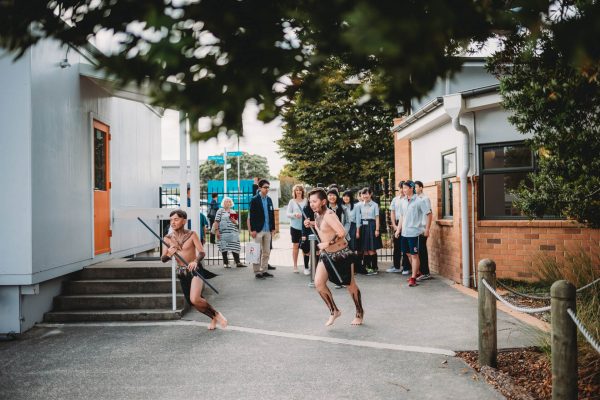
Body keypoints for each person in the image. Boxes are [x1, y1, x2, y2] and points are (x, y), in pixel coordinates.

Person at [305, 188, 365, 326]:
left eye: (314, 201)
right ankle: (334, 311)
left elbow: (342, 232)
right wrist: (311, 224)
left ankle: (359, 312)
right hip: (327, 254)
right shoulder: (317, 215)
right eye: (310, 202)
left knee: (349, 285)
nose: (312, 204)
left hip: (341, 254)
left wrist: (327, 243)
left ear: (323, 201)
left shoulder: (329, 214)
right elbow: (324, 228)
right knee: (318, 283)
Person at [161, 209, 227, 330]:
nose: (173, 222)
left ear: (184, 221)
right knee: (194, 302)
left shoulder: (192, 234)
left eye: (176, 219)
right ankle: (213, 317)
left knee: (195, 298)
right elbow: (163, 259)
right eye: (171, 220)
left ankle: (217, 314)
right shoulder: (168, 238)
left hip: (195, 270)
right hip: (182, 272)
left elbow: (201, 252)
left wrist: (195, 261)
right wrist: (169, 254)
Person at [394, 180, 432, 287]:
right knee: (408, 254)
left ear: (411, 188)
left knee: (414, 255)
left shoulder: (419, 201)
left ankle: (413, 277)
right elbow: (402, 216)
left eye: (406, 188)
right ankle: (417, 272)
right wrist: (398, 230)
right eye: (403, 188)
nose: (403, 190)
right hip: (405, 233)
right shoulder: (403, 201)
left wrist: (427, 229)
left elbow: (429, 214)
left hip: (415, 233)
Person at [249, 179, 275, 279]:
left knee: (266, 251)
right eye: (265, 187)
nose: (267, 189)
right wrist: (253, 230)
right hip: (258, 230)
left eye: (268, 187)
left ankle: (264, 270)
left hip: (268, 229)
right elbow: (252, 216)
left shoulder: (269, 200)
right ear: (260, 188)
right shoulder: (254, 199)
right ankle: (257, 272)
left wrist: (273, 228)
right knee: (256, 251)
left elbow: (271, 214)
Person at [355, 187, 382, 275]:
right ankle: (367, 267)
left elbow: (377, 217)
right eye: (363, 194)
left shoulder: (374, 205)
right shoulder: (359, 205)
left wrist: (377, 229)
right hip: (363, 226)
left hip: (372, 226)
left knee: (372, 249)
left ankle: (374, 267)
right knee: (365, 248)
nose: (365, 196)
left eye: (367, 193)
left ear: (370, 194)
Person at [214, 196, 246, 268]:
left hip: (233, 233)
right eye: (226, 201)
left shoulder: (233, 211)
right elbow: (216, 222)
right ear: (223, 203)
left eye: (229, 201)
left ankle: (238, 262)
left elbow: (236, 223)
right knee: (224, 247)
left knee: (234, 246)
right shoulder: (220, 211)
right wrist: (217, 231)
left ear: (231, 203)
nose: (227, 203)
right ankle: (226, 263)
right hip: (223, 233)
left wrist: (235, 221)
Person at [286, 184, 308, 273]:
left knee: (305, 247)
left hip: (305, 227)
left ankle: (306, 266)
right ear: (294, 192)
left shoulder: (306, 201)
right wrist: (294, 215)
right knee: (295, 246)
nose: (298, 192)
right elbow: (287, 214)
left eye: (300, 190)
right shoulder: (292, 201)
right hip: (294, 227)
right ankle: (295, 266)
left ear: (302, 191)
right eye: (297, 190)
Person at [415, 181, 432, 280]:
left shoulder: (425, 199)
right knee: (418, 250)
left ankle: (426, 273)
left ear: (421, 188)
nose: (415, 189)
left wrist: (427, 229)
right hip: (417, 228)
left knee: (422, 250)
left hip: (423, 228)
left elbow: (429, 214)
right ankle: (421, 271)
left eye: (416, 187)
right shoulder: (416, 199)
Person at [388, 182, 405, 273]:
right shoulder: (395, 199)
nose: (402, 190)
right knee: (397, 246)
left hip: (406, 223)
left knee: (406, 246)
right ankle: (396, 266)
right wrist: (394, 225)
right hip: (397, 222)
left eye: (403, 188)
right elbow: (392, 212)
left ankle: (406, 267)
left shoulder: (407, 199)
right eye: (400, 188)